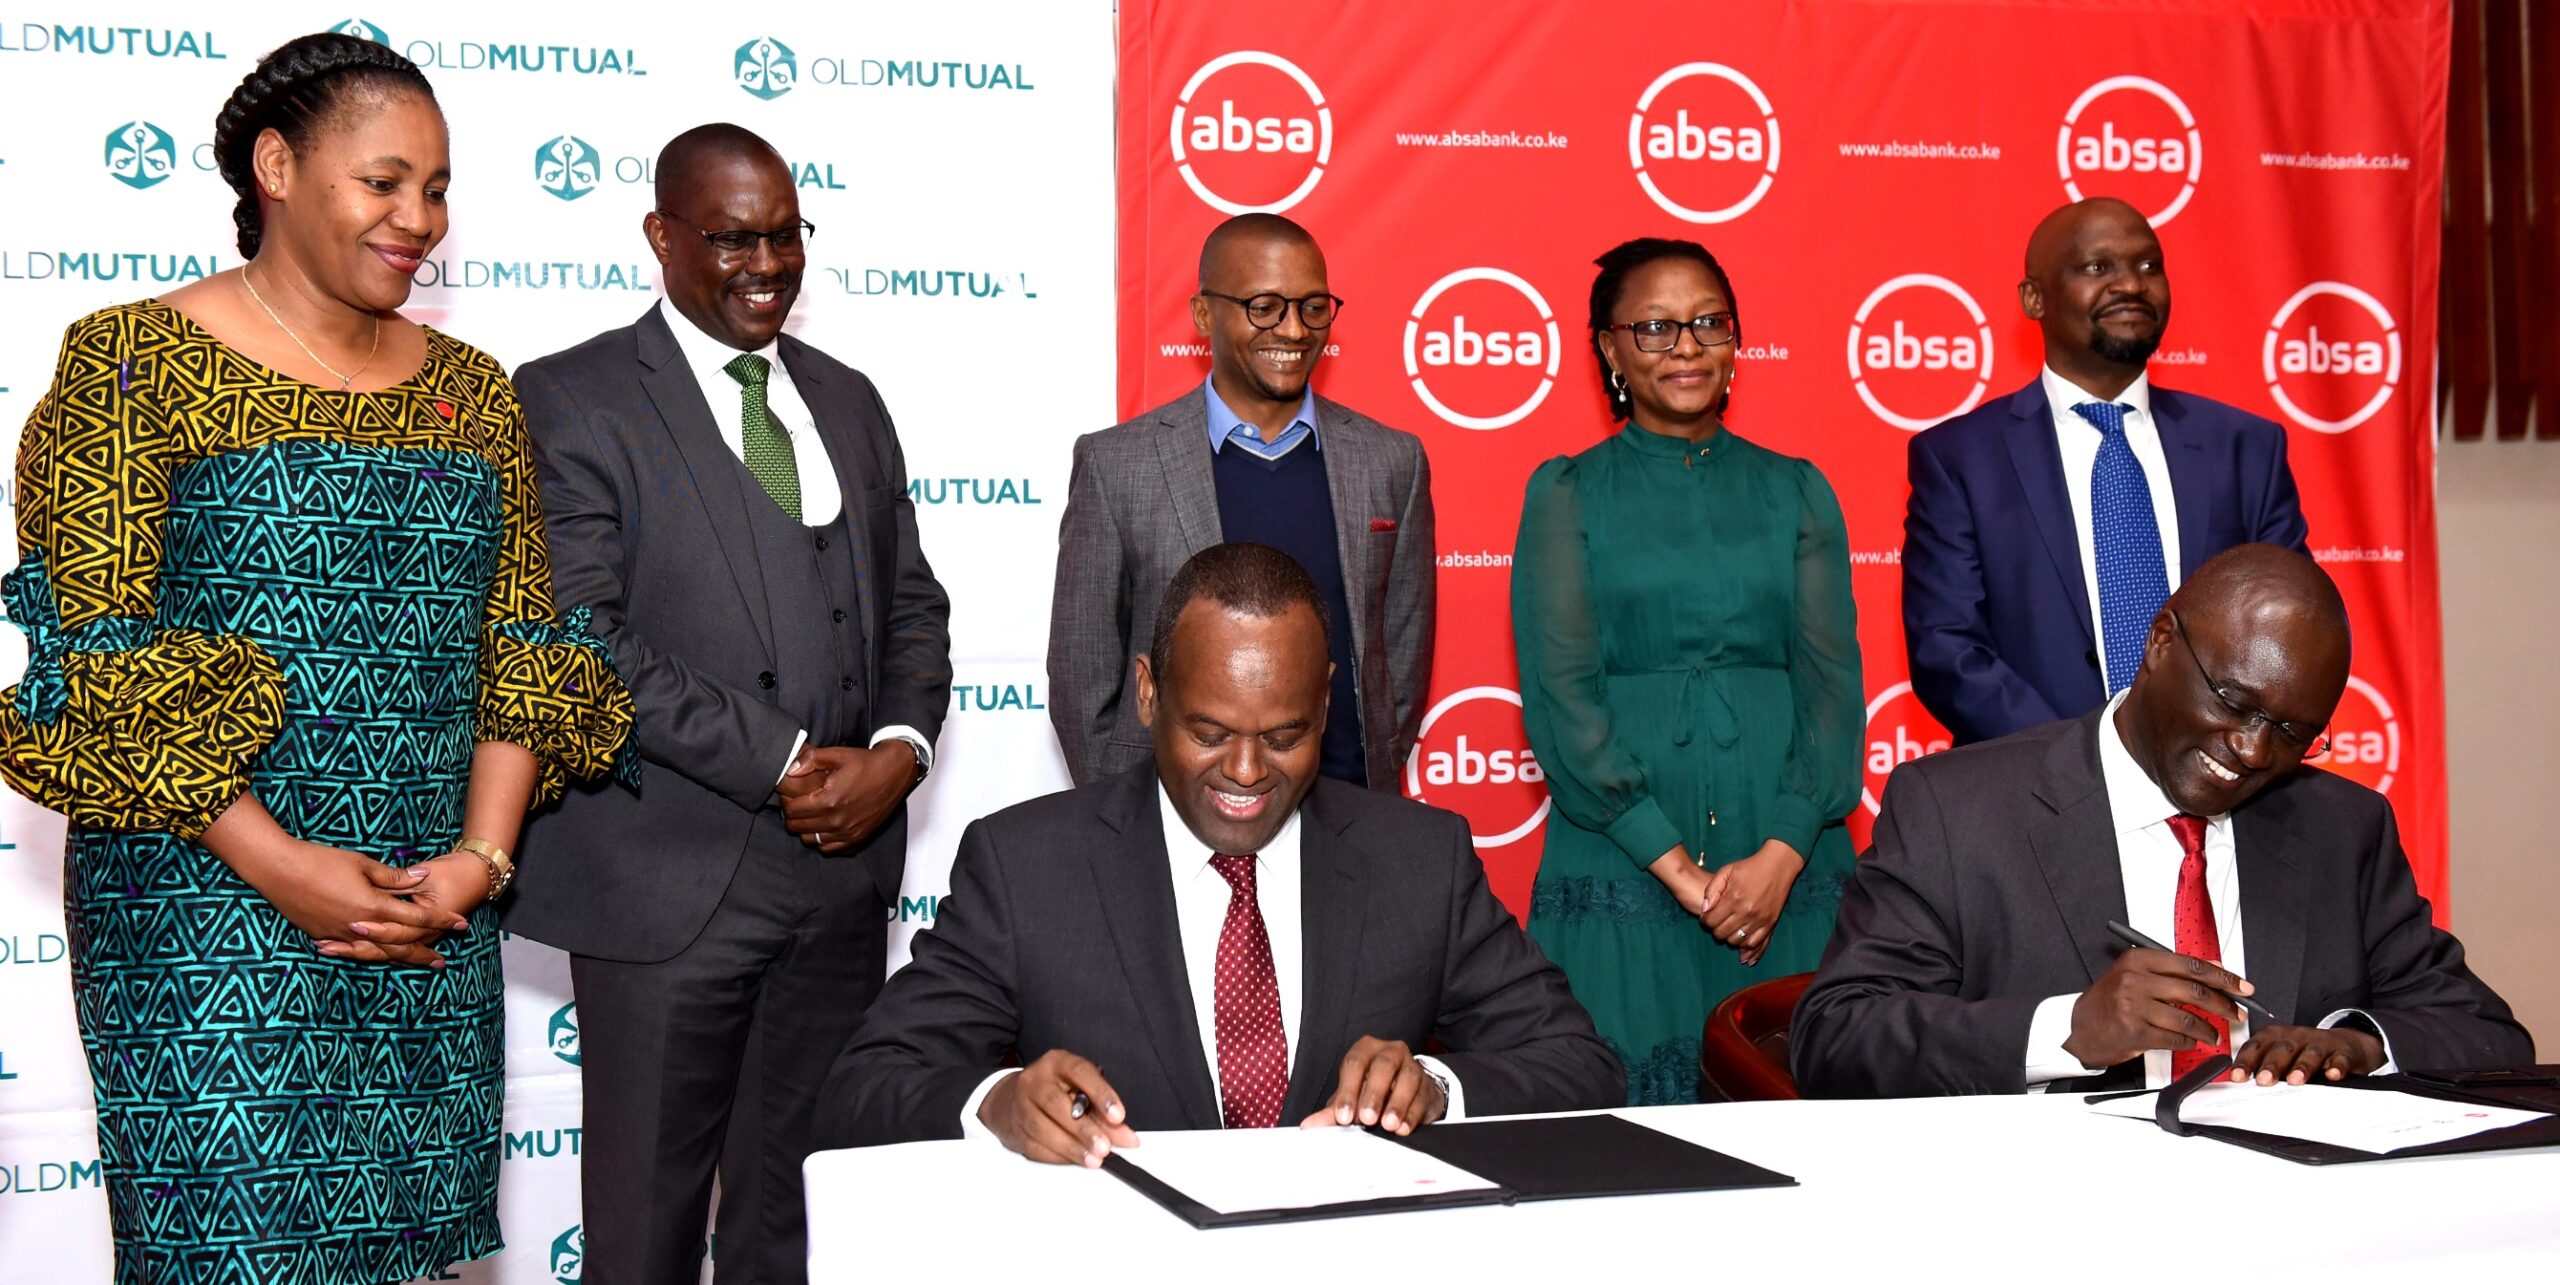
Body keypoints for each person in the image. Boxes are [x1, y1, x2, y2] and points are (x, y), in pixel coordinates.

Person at [0, 32, 633, 1284]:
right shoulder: (131, 365)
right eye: (385, 182)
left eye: (438, 188)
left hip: (423, 913)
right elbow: (95, 660)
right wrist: (280, 865)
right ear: (278, 166)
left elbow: (521, 645)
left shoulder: (470, 390)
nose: (419, 219)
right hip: (202, 912)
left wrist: (477, 861)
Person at [505, 124, 951, 1285]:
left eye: (787, 235)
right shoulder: (571, 396)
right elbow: (580, 635)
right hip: (669, 889)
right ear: (661, 237)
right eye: (733, 238)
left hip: (841, 882)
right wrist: (790, 760)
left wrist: (896, 752)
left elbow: (913, 603)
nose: (767, 263)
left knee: (795, 1219)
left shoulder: (848, 399)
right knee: (645, 1234)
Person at [823, 543, 1620, 1160]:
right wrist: (997, 1102)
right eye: (1208, 733)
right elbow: (863, 1087)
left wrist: (1438, 1087)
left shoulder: (1419, 858)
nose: (1245, 773)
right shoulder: (1026, 866)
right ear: (1146, 692)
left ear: (1325, 700)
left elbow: (1582, 1065)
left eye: (1284, 736)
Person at [1794, 545, 2529, 1098]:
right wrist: (2068, 1028)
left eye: (2293, 731)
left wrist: (2356, 1043)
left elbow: (2488, 1033)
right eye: (2234, 704)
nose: (2253, 749)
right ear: (2160, 643)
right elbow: (1837, 1035)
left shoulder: (2342, 827)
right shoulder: (1956, 809)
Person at [1510, 238, 1862, 1104]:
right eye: (1656, 326)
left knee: (1810, 1131)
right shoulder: (1566, 494)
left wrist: (1780, 854)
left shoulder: (1799, 489)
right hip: (1623, 858)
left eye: (1708, 322)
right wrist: (1681, 873)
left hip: (1792, 859)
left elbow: (1831, 693)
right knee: (1627, 1142)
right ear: (1609, 347)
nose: (1686, 346)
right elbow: (1563, 702)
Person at [1902, 197, 2310, 746]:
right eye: (2098, 268)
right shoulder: (1960, 458)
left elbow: (2293, 627)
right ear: (2034, 298)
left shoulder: (2246, 448)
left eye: (2149, 266)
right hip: (2035, 793)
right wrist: (2088, 761)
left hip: (2225, 782)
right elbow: (1946, 648)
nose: (2132, 285)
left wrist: (2222, 745)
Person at [1050, 213, 1434, 791]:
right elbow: (1083, 670)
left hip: (1347, 805)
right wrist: (1126, 817)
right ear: (1204, 314)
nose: (1295, 330)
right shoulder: (1117, 464)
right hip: (1171, 810)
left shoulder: (1391, 461)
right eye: (1264, 306)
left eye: (1312, 306)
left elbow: (1400, 657)